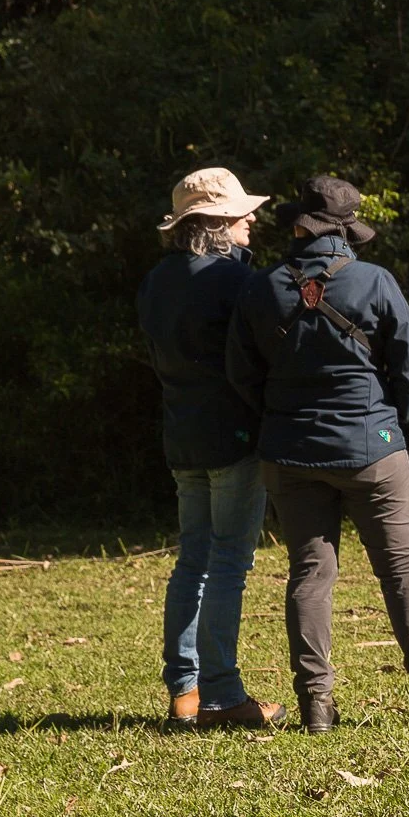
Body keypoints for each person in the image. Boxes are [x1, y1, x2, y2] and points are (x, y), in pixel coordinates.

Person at [226, 175, 409, 734]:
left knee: (310, 573)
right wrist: (388, 422)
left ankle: (316, 705)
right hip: (372, 448)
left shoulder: (260, 287)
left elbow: (240, 373)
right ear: (346, 230)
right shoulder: (374, 281)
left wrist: (281, 419)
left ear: (300, 225)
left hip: (289, 452)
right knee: (403, 570)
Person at [136, 167, 288, 729]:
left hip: (182, 438)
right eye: (242, 213)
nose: (252, 219)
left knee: (194, 560)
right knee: (228, 562)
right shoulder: (235, 281)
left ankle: (186, 691)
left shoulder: (157, 281)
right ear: (217, 223)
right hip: (233, 439)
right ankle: (222, 696)